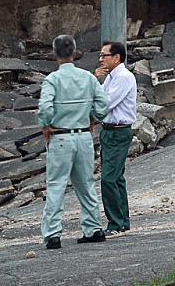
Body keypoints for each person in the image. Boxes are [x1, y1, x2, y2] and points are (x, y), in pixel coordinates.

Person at [38, 35, 110, 249]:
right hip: (83, 137)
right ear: (75, 53)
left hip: (61, 137)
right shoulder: (88, 77)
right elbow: (104, 103)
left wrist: (46, 124)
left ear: (54, 54)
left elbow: (45, 108)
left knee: (56, 186)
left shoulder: (52, 80)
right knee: (86, 184)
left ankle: (53, 234)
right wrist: (93, 116)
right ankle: (94, 228)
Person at [94, 40, 137, 238]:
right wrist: (95, 80)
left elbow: (105, 103)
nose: (101, 59)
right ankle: (123, 222)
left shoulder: (123, 77)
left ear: (117, 57)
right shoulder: (111, 77)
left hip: (118, 132)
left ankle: (115, 224)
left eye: (104, 55)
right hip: (109, 131)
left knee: (108, 178)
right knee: (117, 178)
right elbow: (100, 96)